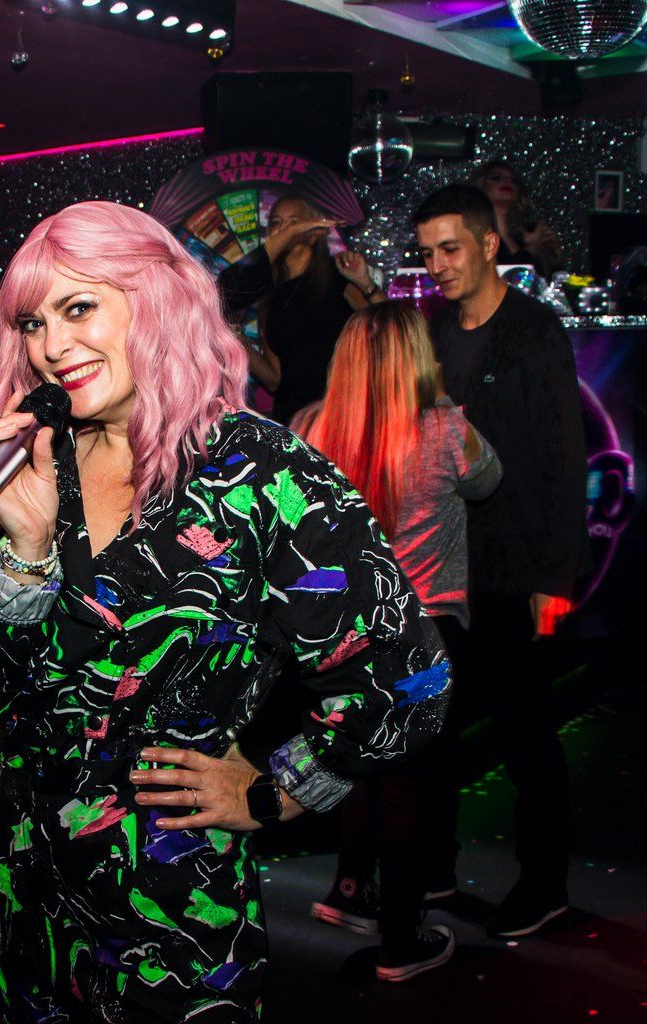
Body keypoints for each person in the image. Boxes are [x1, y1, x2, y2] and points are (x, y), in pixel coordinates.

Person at [0, 200, 450, 1021]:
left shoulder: (259, 471)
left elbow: (407, 676)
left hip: (168, 894)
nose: (52, 345)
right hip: (18, 871)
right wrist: (24, 554)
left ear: (158, 300)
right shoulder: (27, 465)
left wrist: (277, 792)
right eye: (32, 322)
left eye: (78, 307)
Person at [300, 302, 501, 980]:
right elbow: (490, 480)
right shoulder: (444, 429)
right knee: (412, 785)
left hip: (342, 636)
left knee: (363, 761)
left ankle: (350, 888)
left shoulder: (311, 427)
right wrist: (440, 397)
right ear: (415, 360)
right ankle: (400, 940)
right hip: (421, 637)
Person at [414, 184, 591, 938]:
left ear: (490, 244)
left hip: (515, 567)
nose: (438, 265)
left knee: (525, 732)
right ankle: (432, 870)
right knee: (434, 726)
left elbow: (564, 457)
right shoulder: (430, 329)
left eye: (450, 248)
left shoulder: (533, 330)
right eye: (428, 252)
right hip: (444, 569)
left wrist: (555, 578)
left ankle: (545, 883)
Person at [217, 194, 386, 424]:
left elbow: (392, 325)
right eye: (277, 222)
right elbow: (275, 378)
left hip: (340, 416)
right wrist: (235, 339)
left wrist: (367, 285)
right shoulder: (270, 295)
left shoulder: (338, 277)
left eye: (295, 222)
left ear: (314, 231)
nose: (287, 229)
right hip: (294, 422)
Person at [470, 160, 564, 278]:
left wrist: (553, 254)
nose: (507, 181)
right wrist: (531, 249)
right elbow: (507, 281)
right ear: (480, 186)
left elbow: (547, 282)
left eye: (513, 180)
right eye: (497, 178)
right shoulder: (474, 236)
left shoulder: (525, 234)